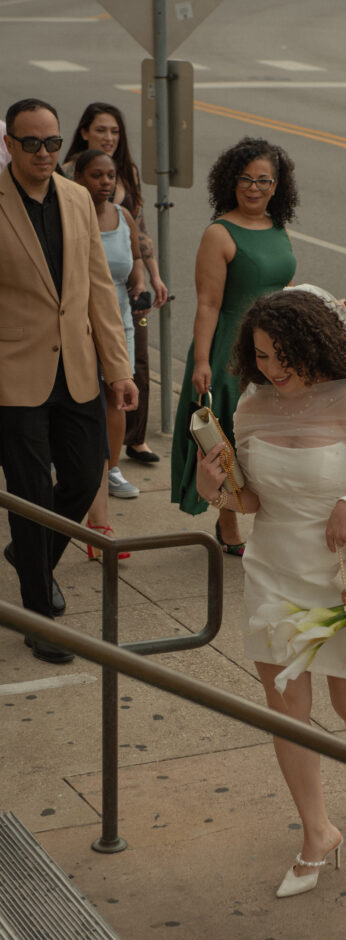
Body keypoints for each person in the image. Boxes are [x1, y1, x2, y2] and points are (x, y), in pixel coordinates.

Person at [196, 288, 346, 898]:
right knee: (286, 708)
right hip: (274, 569)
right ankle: (317, 831)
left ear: (315, 348)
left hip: (342, 576)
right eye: (262, 357)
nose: (274, 370)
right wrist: (218, 492)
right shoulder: (251, 410)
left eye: (284, 357)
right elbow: (253, 498)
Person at [0, 98, 137, 663]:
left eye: (52, 143)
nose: (43, 153)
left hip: (76, 369)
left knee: (84, 478)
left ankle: (29, 557)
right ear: (8, 143)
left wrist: (118, 368)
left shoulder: (78, 198)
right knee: (30, 494)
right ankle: (38, 616)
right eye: (31, 143)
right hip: (13, 374)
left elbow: (99, 288)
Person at [171, 136, 298, 556]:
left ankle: (265, 514)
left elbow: (285, 288)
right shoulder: (219, 233)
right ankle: (228, 524)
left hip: (275, 348)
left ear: (277, 186)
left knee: (268, 437)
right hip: (230, 348)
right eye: (246, 179)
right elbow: (208, 304)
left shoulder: (279, 228)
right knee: (227, 437)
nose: (254, 188)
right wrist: (203, 360)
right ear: (231, 182)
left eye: (264, 181)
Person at [62, 102, 167, 481]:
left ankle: (121, 456)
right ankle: (79, 463)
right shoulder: (67, 174)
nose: (109, 138)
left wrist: (150, 276)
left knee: (130, 374)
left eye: (116, 132)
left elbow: (137, 229)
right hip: (79, 309)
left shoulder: (126, 176)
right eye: (102, 130)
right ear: (86, 131)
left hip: (123, 297)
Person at [74, 149, 146, 558]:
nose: (104, 182)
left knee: (117, 403)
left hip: (118, 323)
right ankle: (98, 521)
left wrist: (140, 279)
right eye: (96, 175)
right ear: (78, 177)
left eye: (110, 176)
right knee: (87, 416)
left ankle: (109, 473)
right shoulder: (67, 214)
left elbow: (132, 258)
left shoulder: (124, 217)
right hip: (78, 328)